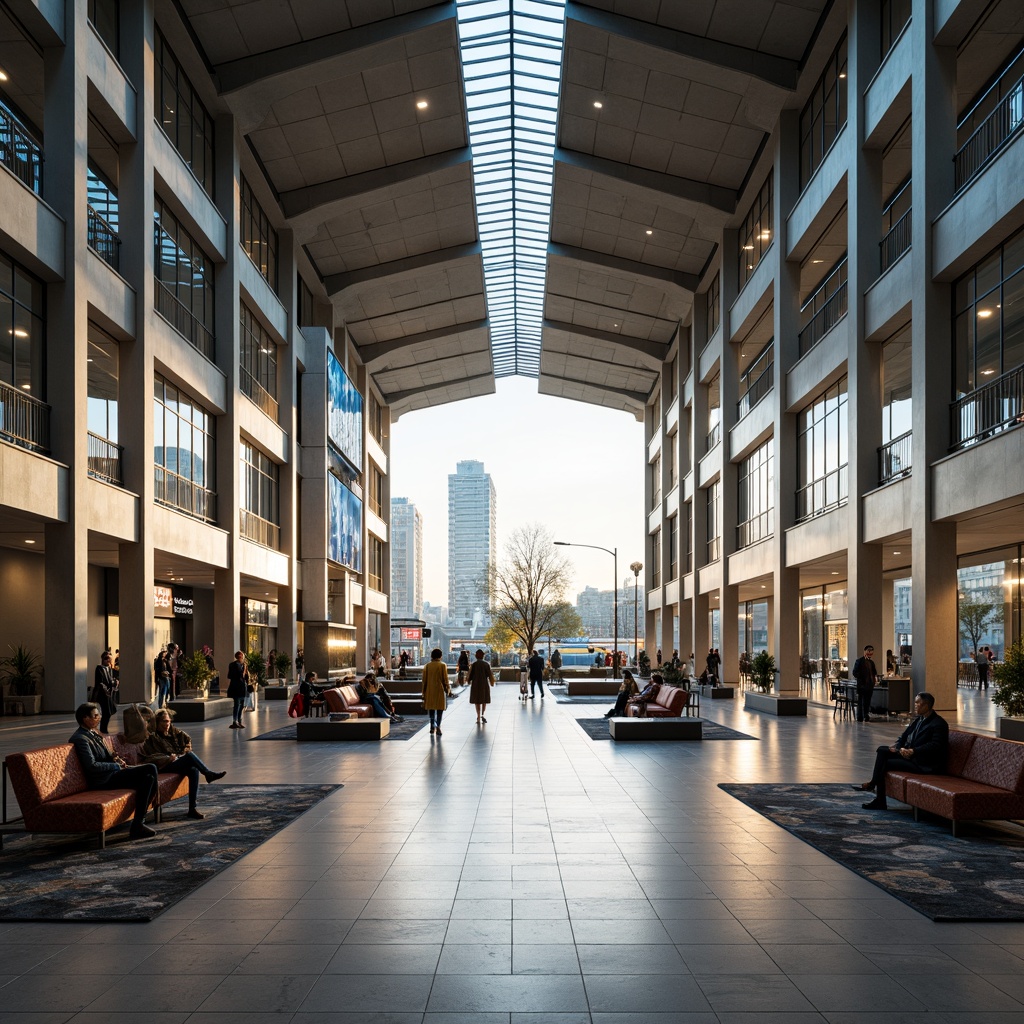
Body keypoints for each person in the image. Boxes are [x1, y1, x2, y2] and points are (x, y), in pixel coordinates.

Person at [70, 702, 159, 840]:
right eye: (95, 715)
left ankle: (138, 823)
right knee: (150, 768)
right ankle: (140, 820)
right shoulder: (81, 739)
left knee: (149, 778)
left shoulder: (94, 733)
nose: (99, 717)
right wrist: (116, 766)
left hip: (112, 774)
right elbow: (92, 766)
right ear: (85, 719)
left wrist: (116, 759)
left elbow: (107, 755)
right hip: (102, 780)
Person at [854, 692, 950, 810]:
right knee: (882, 750)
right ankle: (874, 786)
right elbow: (903, 736)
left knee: (885, 764)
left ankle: (879, 798)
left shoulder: (938, 724)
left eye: (917, 703)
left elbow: (936, 745)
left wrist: (914, 751)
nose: (915, 706)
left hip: (923, 763)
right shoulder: (919, 720)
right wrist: (899, 748)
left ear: (926, 705)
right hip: (911, 756)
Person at [141, 709, 226, 819]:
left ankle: (192, 808)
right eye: (164, 721)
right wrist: (168, 758)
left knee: (193, 770)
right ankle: (208, 774)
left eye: (168, 721)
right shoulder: (152, 736)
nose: (167, 724)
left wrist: (182, 752)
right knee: (190, 756)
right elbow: (151, 756)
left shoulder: (173, 732)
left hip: (175, 762)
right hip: (162, 766)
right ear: (157, 722)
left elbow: (187, 739)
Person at [422, 647, 451, 735]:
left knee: (431, 710)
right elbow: (445, 679)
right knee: (439, 710)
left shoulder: (427, 666)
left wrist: (423, 692)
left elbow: (424, 681)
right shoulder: (443, 665)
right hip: (440, 690)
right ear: (440, 656)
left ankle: (432, 727)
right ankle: (438, 726)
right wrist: (448, 690)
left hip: (430, 690)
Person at [92, 650, 118, 733]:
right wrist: (105, 688)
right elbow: (100, 682)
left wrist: (115, 682)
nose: (108, 660)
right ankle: (103, 729)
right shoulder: (99, 668)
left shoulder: (109, 669)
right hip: (102, 694)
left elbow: (110, 680)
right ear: (102, 659)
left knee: (110, 711)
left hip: (109, 694)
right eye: (106, 658)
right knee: (106, 712)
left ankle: (104, 728)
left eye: (109, 659)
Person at [852, 644, 879, 722]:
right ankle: (860, 717)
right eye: (868, 651)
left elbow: (874, 673)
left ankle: (866, 715)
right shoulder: (859, 661)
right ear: (865, 651)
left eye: (871, 651)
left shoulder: (871, 662)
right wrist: (862, 678)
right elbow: (854, 672)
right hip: (862, 685)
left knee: (867, 701)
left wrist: (874, 681)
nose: (870, 653)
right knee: (861, 701)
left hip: (870, 685)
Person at [468, 649, 494, 723]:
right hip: (484, 684)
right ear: (483, 656)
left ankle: (478, 716)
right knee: (484, 700)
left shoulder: (474, 665)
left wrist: (468, 681)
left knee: (477, 701)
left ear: (476, 656)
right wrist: (492, 683)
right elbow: (490, 675)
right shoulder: (486, 664)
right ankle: (483, 714)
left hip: (475, 684)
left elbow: (470, 675)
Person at [226, 650, 249, 729]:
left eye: (242, 657)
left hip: (243, 688)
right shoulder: (233, 665)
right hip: (236, 688)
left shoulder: (244, 665)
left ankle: (239, 721)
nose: (241, 658)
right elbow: (234, 676)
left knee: (241, 705)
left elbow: (246, 677)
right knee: (237, 705)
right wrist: (244, 669)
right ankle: (235, 721)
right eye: (240, 657)